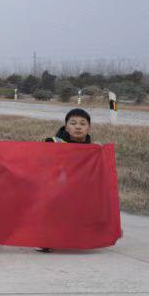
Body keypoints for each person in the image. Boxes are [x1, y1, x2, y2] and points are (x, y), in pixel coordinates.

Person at [37, 108, 95, 252]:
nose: (78, 127)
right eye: (73, 123)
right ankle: (45, 238)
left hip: (79, 192)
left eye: (82, 124)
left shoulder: (94, 150)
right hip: (56, 189)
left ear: (89, 128)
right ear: (66, 126)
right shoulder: (53, 142)